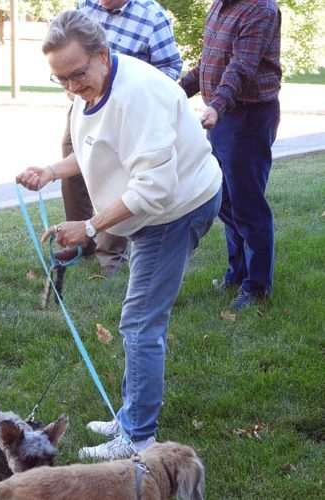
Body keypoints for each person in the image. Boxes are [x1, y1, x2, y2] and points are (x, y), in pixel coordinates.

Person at [16, 10, 222, 460]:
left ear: (103, 56)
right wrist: (51, 171)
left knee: (141, 322)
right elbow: (98, 151)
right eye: (60, 79)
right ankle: (131, 414)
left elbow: (154, 190)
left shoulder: (138, 97)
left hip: (178, 208)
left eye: (77, 74)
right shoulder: (92, 89)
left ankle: (138, 436)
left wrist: (90, 227)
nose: (71, 87)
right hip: (154, 209)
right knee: (137, 316)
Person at [56, 0, 183, 276]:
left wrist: (143, 96)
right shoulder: (85, 6)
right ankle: (80, 241)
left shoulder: (152, 15)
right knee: (76, 167)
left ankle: (110, 255)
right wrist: (72, 83)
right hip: (86, 104)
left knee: (118, 178)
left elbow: (170, 66)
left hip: (131, 115)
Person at [180, 0, 281, 310]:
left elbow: (241, 68)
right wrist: (174, 92)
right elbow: (210, 61)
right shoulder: (220, 6)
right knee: (223, 197)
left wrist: (216, 106)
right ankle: (238, 272)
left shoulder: (260, 9)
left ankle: (257, 286)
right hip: (222, 116)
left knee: (247, 205)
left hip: (248, 117)